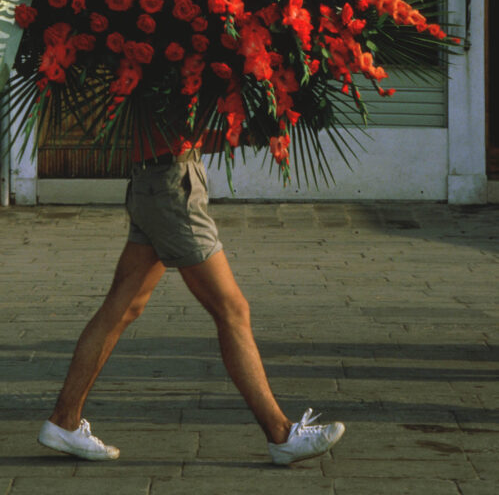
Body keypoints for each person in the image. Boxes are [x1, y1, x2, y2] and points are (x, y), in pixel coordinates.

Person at [38, 145, 345, 467]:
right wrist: (241, 128)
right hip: (173, 188)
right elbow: (174, 135)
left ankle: (64, 420)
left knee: (124, 306)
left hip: (158, 181)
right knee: (232, 310)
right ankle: (281, 434)